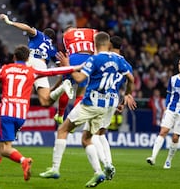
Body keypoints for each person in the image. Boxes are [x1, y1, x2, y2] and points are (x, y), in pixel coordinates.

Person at [39, 32, 136, 187]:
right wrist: (129, 93)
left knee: (63, 129)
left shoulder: (95, 59)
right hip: (106, 106)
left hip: (91, 103)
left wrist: (66, 66)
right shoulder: (119, 61)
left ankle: (55, 168)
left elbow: (78, 79)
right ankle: (98, 172)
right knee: (87, 138)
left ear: (95, 44)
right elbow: (131, 78)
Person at [0, 45, 81, 183]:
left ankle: (23, 160)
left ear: (14, 57)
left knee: (6, 147)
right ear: (27, 59)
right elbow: (54, 72)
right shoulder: (32, 71)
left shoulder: (5, 69)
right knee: (2, 145)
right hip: (21, 115)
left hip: (7, 112)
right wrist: (76, 67)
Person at [0, 14, 74, 107]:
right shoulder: (53, 49)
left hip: (28, 62)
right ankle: (61, 88)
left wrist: (10, 22)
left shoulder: (39, 35)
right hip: (41, 66)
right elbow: (61, 69)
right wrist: (58, 83)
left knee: (16, 88)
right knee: (45, 102)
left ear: (44, 33)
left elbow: (27, 28)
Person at [90, 35, 135, 181]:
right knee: (102, 133)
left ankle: (106, 164)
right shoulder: (127, 64)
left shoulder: (106, 58)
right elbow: (130, 80)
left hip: (100, 97)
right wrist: (124, 99)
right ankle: (109, 163)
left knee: (93, 134)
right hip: (114, 99)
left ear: (110, 44)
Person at [146, 56, 180, 169]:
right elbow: (168, 94)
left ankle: (168, 160)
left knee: (175, 137)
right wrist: (167, 106)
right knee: (163, 131)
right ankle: (153, 157)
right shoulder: (172, 79)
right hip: (171, 110)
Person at [53, 26, 98, 124]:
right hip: (89, 59)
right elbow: (99, 39)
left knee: (66, 86)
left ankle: (60, 115)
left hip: (73, 58)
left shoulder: (65, 36)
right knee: (81, 92)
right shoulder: (91, 31)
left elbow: (69, 51)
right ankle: (74, 120)